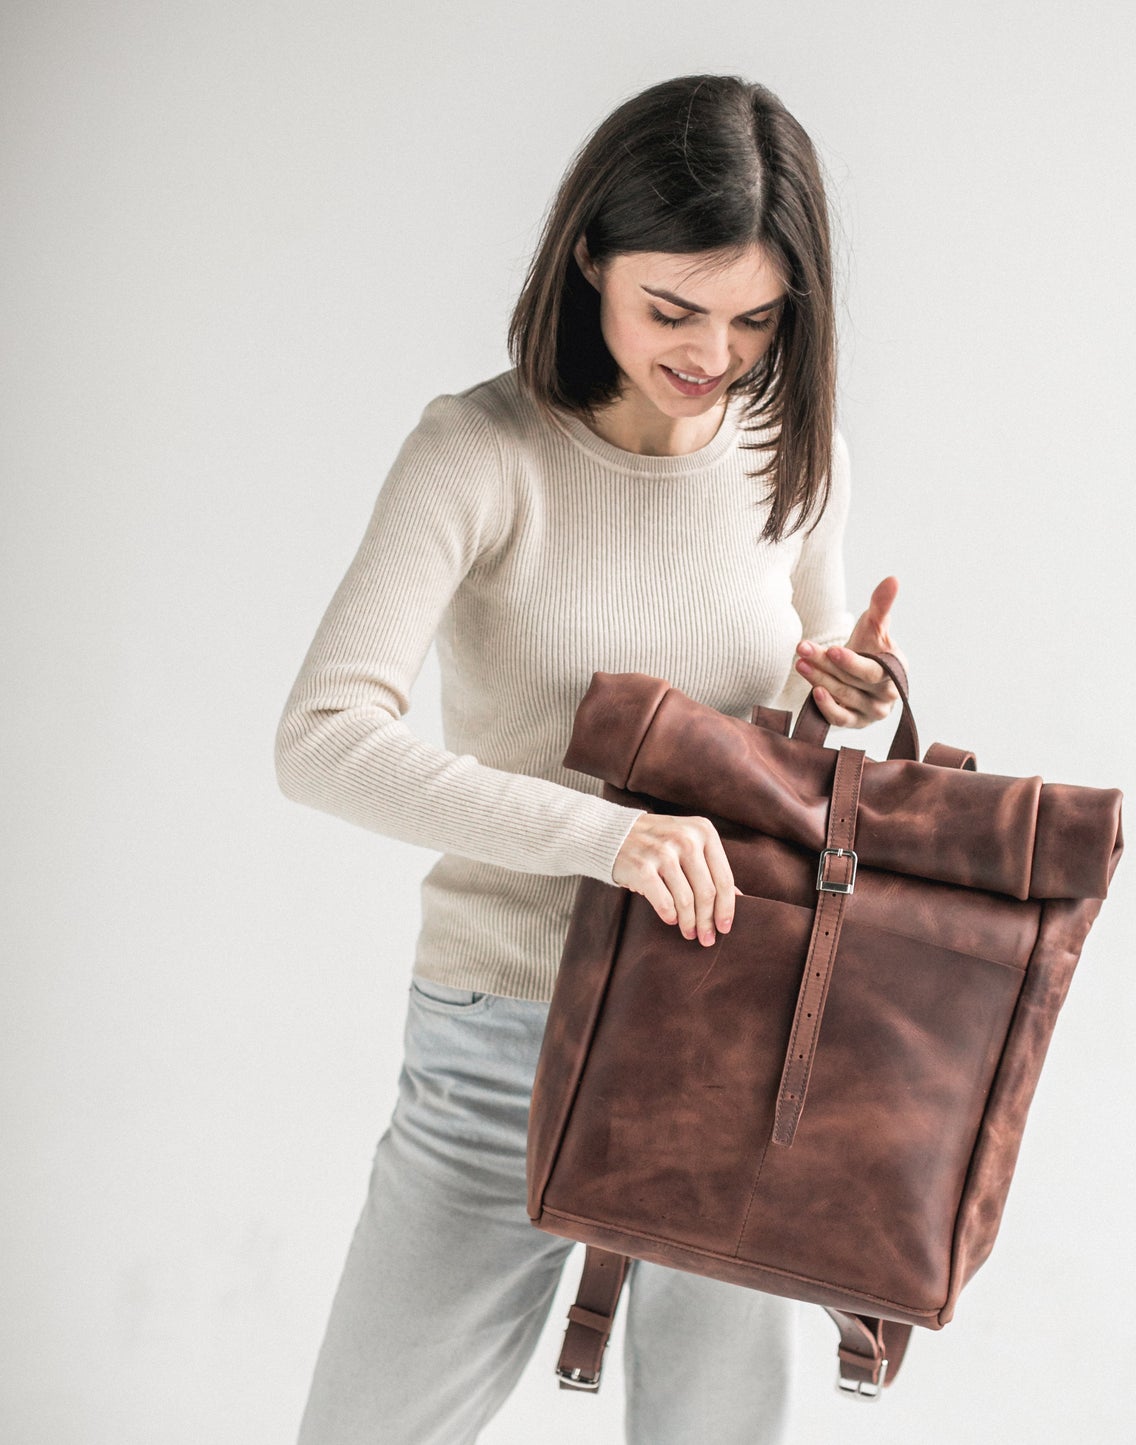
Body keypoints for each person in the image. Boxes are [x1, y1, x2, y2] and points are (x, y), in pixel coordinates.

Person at [274, 72, 908, 1445]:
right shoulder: (479, 451)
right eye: (669, 309)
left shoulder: (796, 454)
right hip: (505, 1024)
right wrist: (602, 836)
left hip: (729, 1028)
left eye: (754, 318)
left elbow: (786, 697)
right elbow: (321, 743)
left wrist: (845, 687)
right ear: (587, 261)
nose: (711, 354)